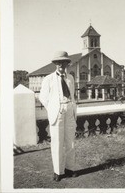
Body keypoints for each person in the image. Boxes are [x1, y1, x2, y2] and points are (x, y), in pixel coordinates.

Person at [39, 50, 78, 182]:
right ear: (56, 63)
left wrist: (72, 108)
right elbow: (43, 97)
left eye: (64, 62)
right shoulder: (48, 79)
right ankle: (58, 172)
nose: (61, 65)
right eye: (59, 62)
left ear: (67, 63)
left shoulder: (71, 78)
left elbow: (72, 95)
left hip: (69, 110)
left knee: (70, 142)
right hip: (57, 112)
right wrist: (53, 109)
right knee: (57, 143)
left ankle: (70, 168)